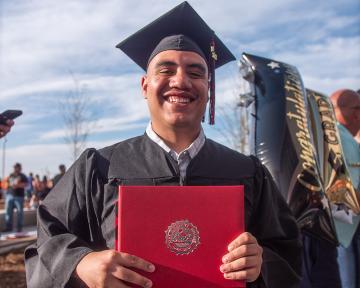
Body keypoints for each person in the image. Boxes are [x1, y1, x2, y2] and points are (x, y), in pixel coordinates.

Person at [25, 2, 302, 287]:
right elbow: (48, 239)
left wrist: (261, 263)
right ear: (145, 86)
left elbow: (287, 251)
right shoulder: (98, 167)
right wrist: (81, 263)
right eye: (166, 70)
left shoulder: (247, 171)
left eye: (195, 73)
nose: (181, 80)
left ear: (209, 88)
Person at [330, 89, 360, 288]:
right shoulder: (341, 140)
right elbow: (338, 196)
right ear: (357, 113)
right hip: (343, 232)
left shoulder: (332, 137)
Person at [3, 163, 28, 232]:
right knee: (8, 211)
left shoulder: (23, 176)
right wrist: (9, 184)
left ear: (19, 168)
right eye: (14, 167)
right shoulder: (11, 175)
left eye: (16, 167)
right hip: (9, 195)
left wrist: (18, 185)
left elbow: (26, 184)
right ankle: (8, 227)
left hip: (19, 196)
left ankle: (19, 228)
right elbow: (7, 184)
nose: (15, 168)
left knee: (20, 212)